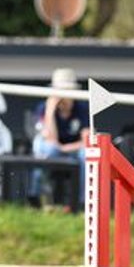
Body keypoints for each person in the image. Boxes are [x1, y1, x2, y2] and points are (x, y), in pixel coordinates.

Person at [29, 67, 89, 205]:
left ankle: (81, 202)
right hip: (52, 147)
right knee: (48, 149)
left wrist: (65, 148)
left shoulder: (82, 108)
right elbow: (50, 139)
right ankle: (37, 198)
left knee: (85, 155)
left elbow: (86, 140)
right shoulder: (44, 107)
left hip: (73, 149)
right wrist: (50, 111)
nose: (63, 96)